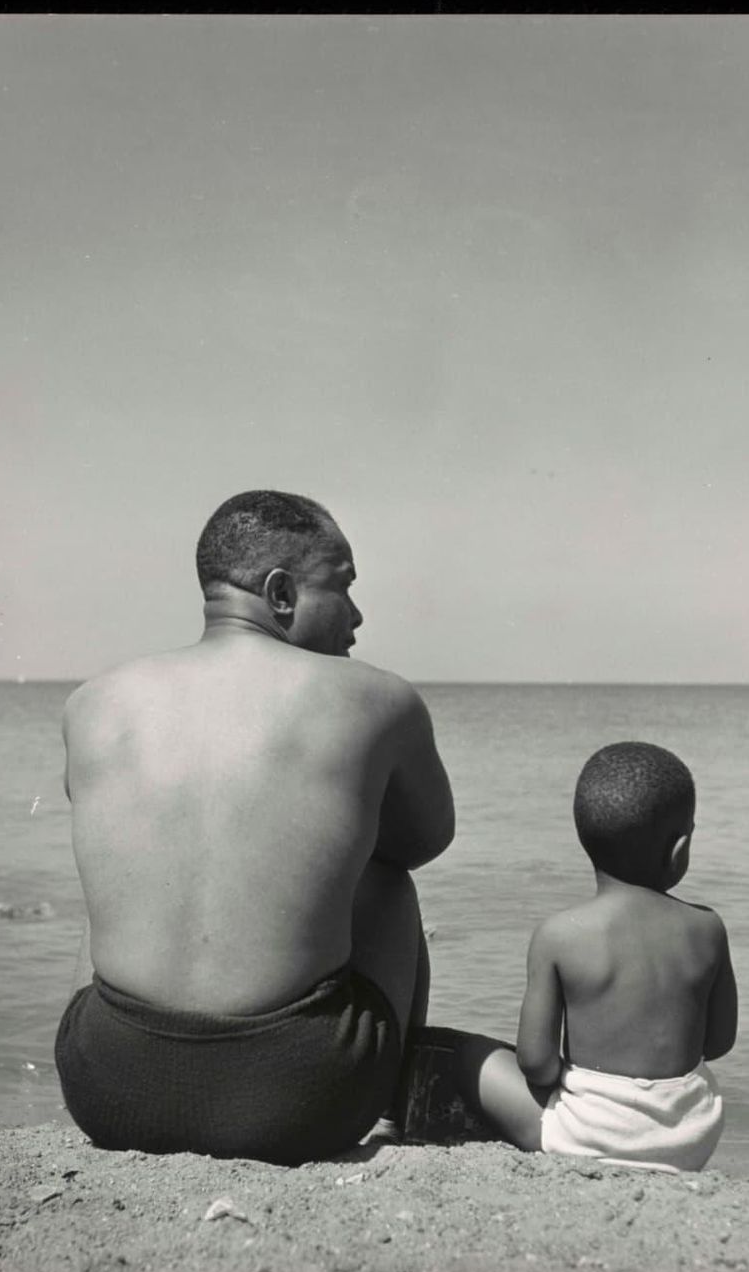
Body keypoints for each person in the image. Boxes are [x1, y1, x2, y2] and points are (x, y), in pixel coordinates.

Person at [55, 490, 454, 1165]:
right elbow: (422, 842)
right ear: (281, 593)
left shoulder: (94, 701)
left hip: (105, 1093)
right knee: (387, 883)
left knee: (122, 878)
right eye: (344, 588)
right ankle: (393, 1112)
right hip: (302, 1099)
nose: (357, 617)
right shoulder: (376, 696)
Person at [454, 741, 737, 1172]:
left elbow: (536, 1064)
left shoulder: (559, 935)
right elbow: (718, 1043)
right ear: (679, 849)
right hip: (690, 1138)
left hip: (587, 1137)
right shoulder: (708, 928)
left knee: (470, 1058)